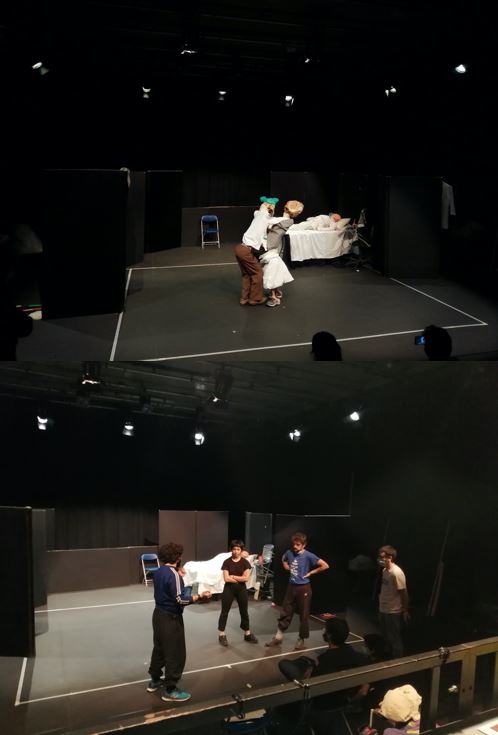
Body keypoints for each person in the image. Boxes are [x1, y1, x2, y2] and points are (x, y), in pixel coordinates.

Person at [277, 617, 370, 735]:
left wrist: (311, 670)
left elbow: (308, 686)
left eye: (325, 630)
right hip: (341, 700)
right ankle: (304, 661)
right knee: (303, 660)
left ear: (330, 635)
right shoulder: (355, 655)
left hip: (321, 703)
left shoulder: (323, 663)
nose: (323, 632)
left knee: (284, 664)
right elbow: (363, 690)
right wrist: (349, 700)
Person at [147, 542, 212, 703]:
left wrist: (178, 571)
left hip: (158, 615)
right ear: (177, 557)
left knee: (159, 649)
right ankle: (170, 690)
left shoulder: (159, 571)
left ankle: (155, 680)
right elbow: (180, 599)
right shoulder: (173, 575)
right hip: (171, 618)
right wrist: (200, 596)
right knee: (175, 654)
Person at [266, 532, 329, 650]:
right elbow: (284, 558)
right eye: (294, 544)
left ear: (304, 545)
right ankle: (278, 637)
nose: (295, 546)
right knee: (285, 611)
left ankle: (301, 639)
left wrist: (311, 572)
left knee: (304, 614)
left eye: (298, 544)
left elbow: (325, 565)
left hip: (303, 588)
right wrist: (286, 566)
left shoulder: (308, 555)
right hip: (291, 587)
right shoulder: (289, 552)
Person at [234, 198, 277, 306]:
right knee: (258, 273)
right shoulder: (263, 216)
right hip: (245, 251)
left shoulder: (258, 215)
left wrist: (268, 209)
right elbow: (274, 219)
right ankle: (255, 299)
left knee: (247, 274)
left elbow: (258, 213)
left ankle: (244, 298)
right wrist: (271, 210)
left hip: (240, 248)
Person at [218, 539, 258, 646]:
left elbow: (246, 578)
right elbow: (226, 579)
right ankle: (221, 634)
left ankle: (247, 634)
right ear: (231, 550)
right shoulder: (227, 562)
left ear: (241, 550)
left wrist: (233, 576)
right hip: (229, 589)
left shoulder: (245, 562)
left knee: (244, 612)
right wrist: (239, 578)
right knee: (224, 612)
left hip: (241, 589)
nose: (236, 551)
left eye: (238, 549)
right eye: (234, 549)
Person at [264, 200, 304, 307]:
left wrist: (267, 212)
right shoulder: (284, 220)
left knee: (272, 270)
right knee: (274, 269)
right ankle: (276, 292)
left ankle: (274, 296)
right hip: (275, 245)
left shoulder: (286, 221)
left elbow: (269, 223)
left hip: (273, 247)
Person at [378, 545, 409, 659]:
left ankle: (397, 661)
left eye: (382, 557)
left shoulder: (397, 573)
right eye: (379, 557)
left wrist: (405, 610)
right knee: (385, 634)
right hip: (383, 608)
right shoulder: (385, 570)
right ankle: (387, 656)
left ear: (390, 557)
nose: (380, 559)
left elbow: (404, 593)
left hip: (393, 610)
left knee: (394, 637)